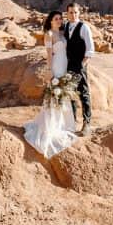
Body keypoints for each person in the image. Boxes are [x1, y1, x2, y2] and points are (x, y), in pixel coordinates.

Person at [22, 11, 78, 158]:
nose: (59, 21)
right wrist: (49, 71)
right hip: (56, 67)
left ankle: (64, 124)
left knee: (63, 95)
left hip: (64, 66)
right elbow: (48, 54)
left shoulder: (62, 33)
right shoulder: (49, 34)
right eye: (56, 19)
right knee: (54, 95)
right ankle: (51, 126)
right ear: (51, 21)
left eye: (60, 18)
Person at [64, 2, 94, 135]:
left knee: (84, 93)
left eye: (75, 12)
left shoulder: (84, 27)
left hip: (80, 65)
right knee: (70, 93)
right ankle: (72, 122)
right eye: (71, 12)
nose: (73, 15)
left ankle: (87, 123)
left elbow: (90, 49)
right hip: (68, 65)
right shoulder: (65, 26)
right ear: (67, 13)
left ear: (79, 13)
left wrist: (83, 64)